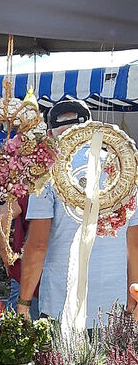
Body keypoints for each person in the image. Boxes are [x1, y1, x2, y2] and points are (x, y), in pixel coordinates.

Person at [18, 100, 138, 328]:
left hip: (61, 304)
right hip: (114, 305)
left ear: (51, 133)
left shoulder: (46, 172)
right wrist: (134, 294)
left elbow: (38, 245)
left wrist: (23, 302)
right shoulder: (124, 167)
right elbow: (134, 243)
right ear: (90, 127)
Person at [0, 195, 40, 319]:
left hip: (26, 274)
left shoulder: (31, 189)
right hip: (57, 275)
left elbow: (1, 218)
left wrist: (5, 253)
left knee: (16, 331)